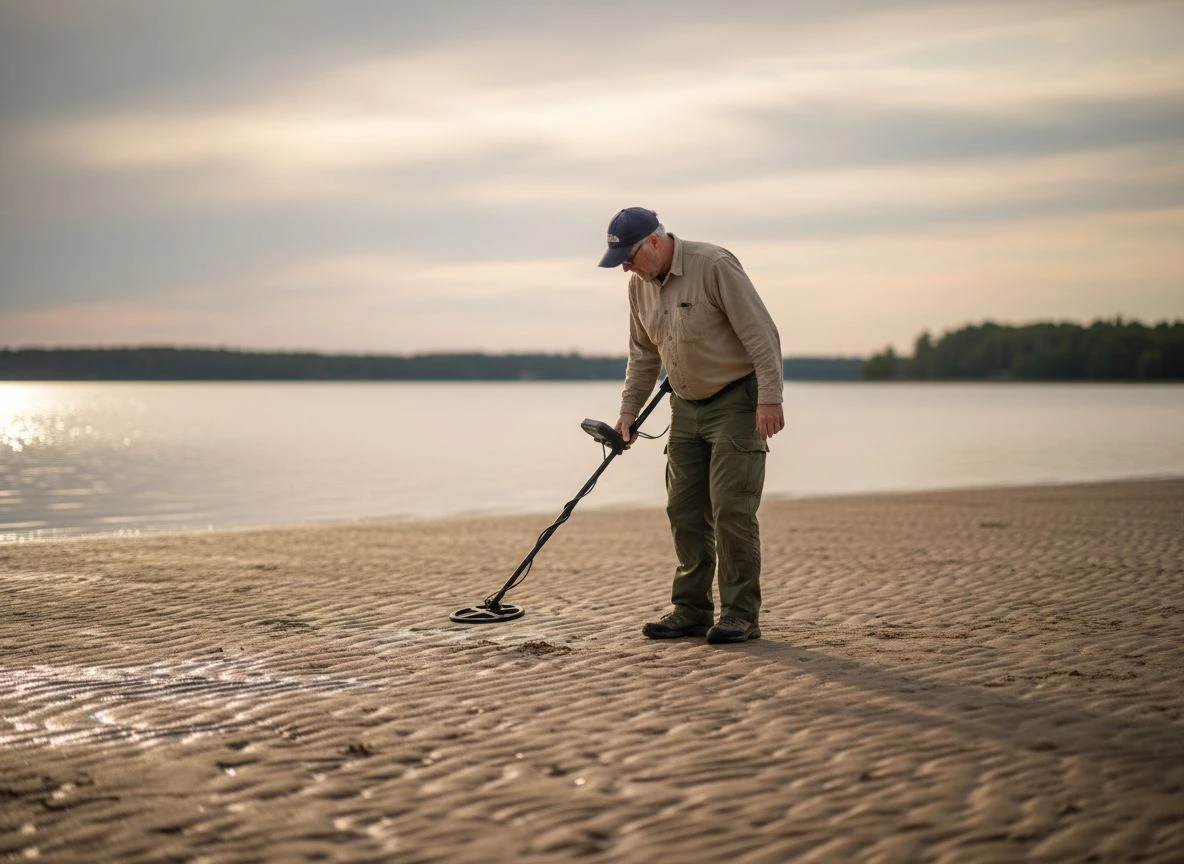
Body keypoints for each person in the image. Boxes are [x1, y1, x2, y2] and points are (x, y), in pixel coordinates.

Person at [598, 207, 785, 644]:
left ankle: (740, 614)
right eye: (620, 260)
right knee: (683, 511)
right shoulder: (637, 286)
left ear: (655, 242)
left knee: (731, 511)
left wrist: (770, 398)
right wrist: (628, 411)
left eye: (629, 256)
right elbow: (642, 355)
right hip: (683, 406)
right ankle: (691, 610)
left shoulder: (713, 265)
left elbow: (762, 334)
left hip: (737, 402)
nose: (625, 266)